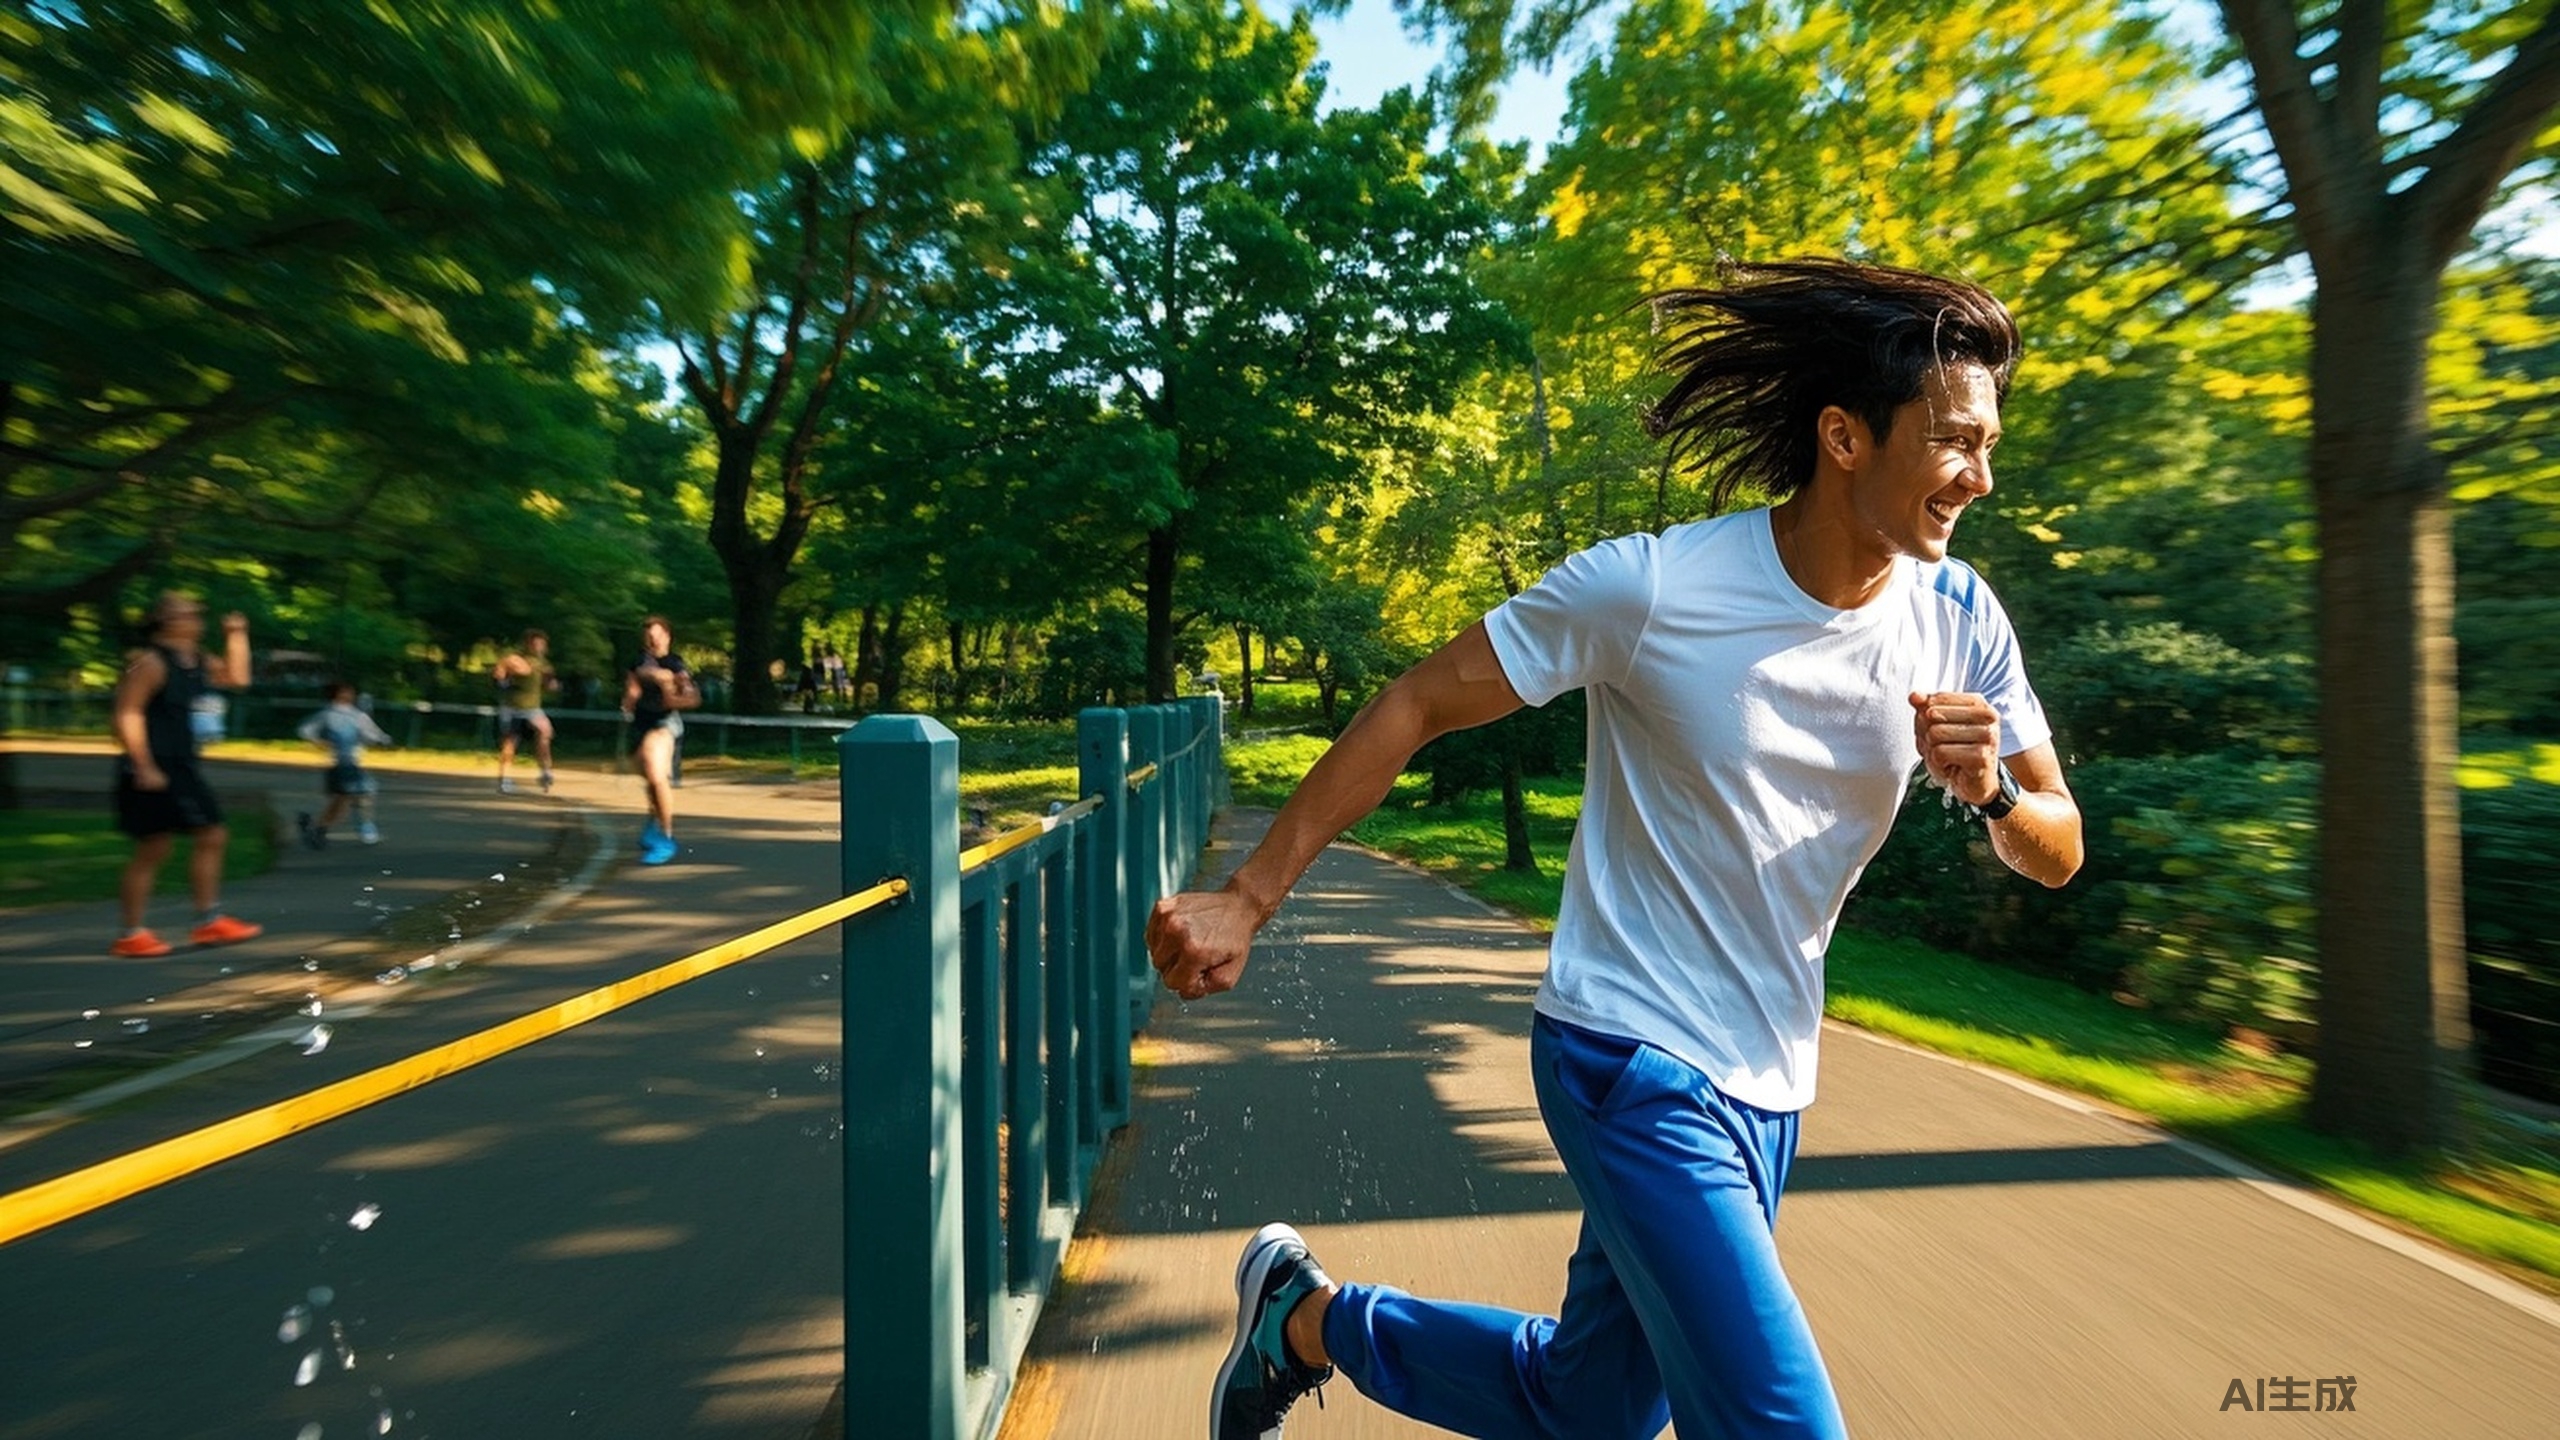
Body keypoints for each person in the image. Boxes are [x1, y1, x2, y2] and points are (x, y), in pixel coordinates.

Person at [1147, 259, 2086, 1440]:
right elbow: (1419, 703)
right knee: (1778, 1426)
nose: (1981, 476)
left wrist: (1993, 788)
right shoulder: (1655, 587)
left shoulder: (1958, 619)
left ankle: (1302, 1319)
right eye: (1955, 441)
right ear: (1845, 437)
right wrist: (1247, 894)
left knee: (1588, 1407)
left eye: (1988, 442)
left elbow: (2057, 846)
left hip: (1771, 1080)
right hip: (1625, 1051)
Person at [107, 592, 266, 957]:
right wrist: (143, 765)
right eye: (188, 613)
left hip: (182, 765)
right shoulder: (149, 662)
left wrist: (236, 634)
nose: (196, 619)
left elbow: (237, 678)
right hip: (153, 764)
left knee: (210, 833)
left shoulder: (195, 660)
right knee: (156, 845)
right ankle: (132, 934)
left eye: (197, 612)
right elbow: (127, 713)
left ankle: (209, 922)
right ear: (165, 620)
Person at [620, 615, 699, 865]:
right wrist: (629, 702)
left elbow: (690, 696)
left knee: (656, 775)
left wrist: (673, 695)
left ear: (667, 636)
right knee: (647, 774)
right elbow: (633, 686)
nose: (652, 641)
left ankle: (665, 837)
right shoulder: (637, 661)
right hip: (640, 724)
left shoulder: (675, 664)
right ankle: (654, 821)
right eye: (648, 637)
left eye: (656, 636)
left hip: (665, 724)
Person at [295, 681, 394, 847]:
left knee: (344, 799)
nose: (349, 695)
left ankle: (317, 827)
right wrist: (321, 742)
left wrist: (381, 740)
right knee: (353, 797)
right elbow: (307, 731)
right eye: (346, 692)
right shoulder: (336, 714)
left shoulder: (348, 714)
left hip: (348, 763)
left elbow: (371, 734)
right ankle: (327, 828)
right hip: (343, 764)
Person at [493, 628, 558, 794]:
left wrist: (552, 685)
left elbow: (549, 684)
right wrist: (502, 680)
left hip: (532, 709)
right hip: (513, 708)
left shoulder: (544, 664)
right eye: (536, 643)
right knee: (510, 743)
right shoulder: (516, 659)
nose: (539, 647)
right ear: (529, 644)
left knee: (545, 732)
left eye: (542, 644)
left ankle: (545, 772)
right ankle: (505, 779)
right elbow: (500, 669)